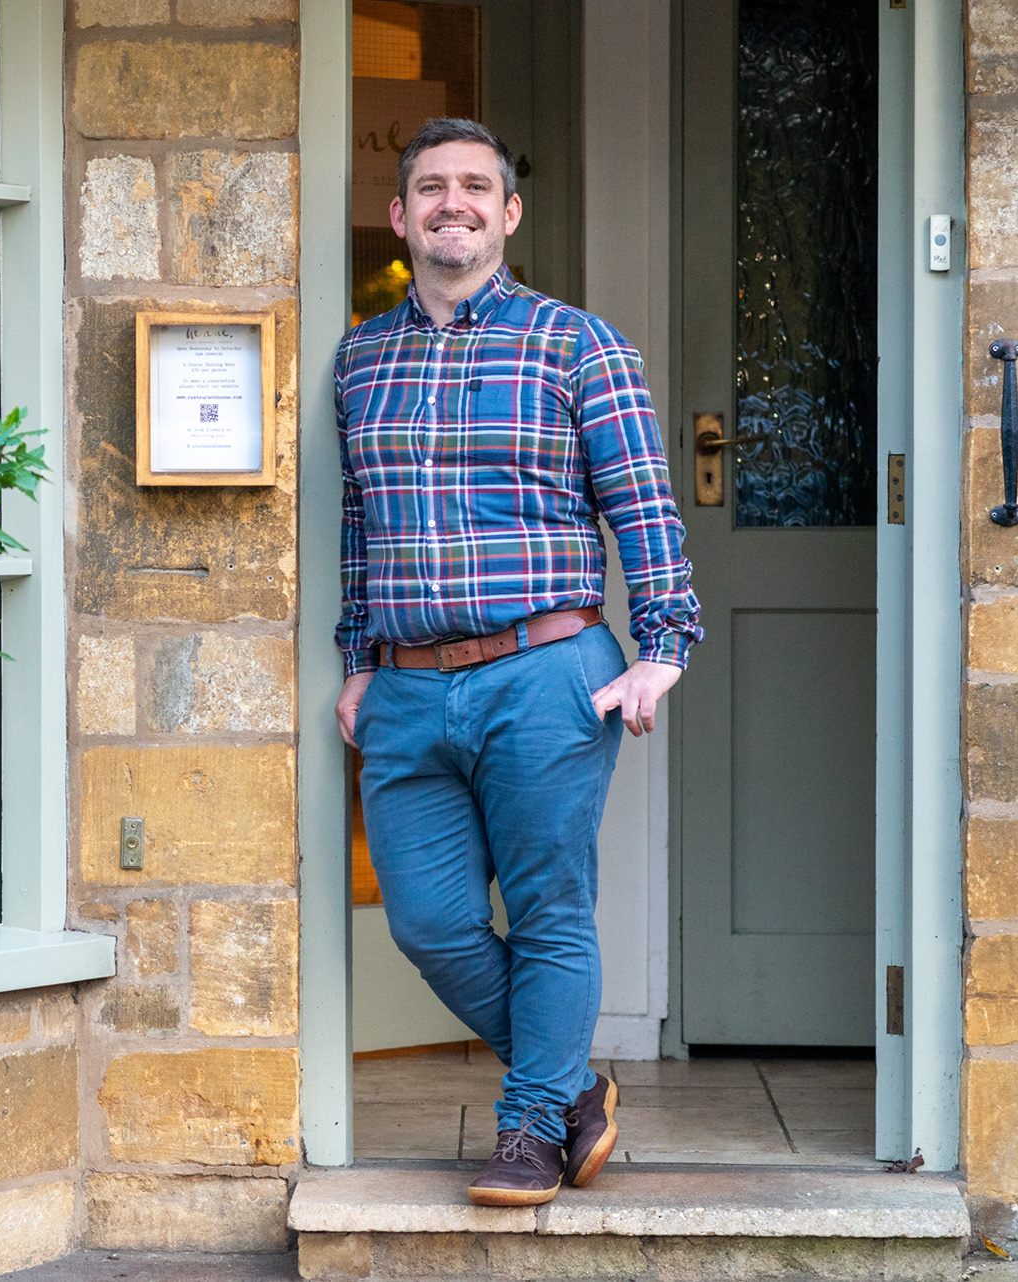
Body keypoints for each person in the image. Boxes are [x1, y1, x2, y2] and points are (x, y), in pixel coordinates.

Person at [334, 118, 702, 1206]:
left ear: (508, 213)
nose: (452, 203)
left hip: (545, 671)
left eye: (474, 187)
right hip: (406, 686)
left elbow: (645, 506)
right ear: (400, 216)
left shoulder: (579, 345)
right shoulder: (359, 359)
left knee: (548, 909)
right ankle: (574, 1085)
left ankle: (533, 1128)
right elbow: (358, 527)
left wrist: (663, 647)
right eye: (430, 188)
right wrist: (358, 661)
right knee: (429, 923)